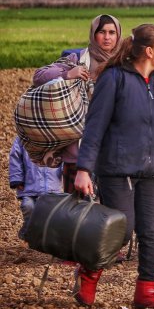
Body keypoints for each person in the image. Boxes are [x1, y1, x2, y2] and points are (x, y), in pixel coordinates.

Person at [74, 24, 154, 309]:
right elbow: (95, 127)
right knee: (121, 230)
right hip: (116, 170)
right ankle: (87, 276)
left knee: (152, 233)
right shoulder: (114, 79)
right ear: (149, 51)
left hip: (152, 172)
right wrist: (83, 169)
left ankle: (146, 292)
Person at [33, 14, 121, 192]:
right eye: (101, 32)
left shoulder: (124, 63)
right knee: (78, 214)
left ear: (118, 36)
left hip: (115, 154)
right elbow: (39, 76)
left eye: (112, 32)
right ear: (93, 34)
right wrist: (68, 74)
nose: (107, 37)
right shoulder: (78, 58)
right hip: (78, 155)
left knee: (113, 215)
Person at [8, 135, 63, 241]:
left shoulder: (58, 137)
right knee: (28, 206)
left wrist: (65, 174)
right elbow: (15, 157)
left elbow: (66, 159)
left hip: (51, 187)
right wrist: (17, 178)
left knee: (47, 213)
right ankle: (29, 231)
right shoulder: (24, 137)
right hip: (29, 185)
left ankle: (40, 236)